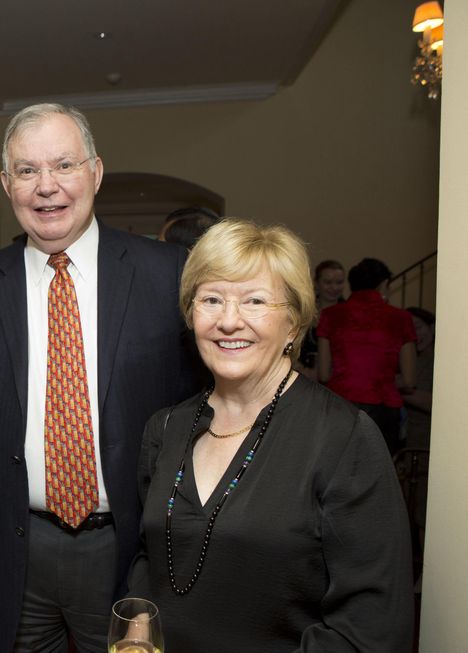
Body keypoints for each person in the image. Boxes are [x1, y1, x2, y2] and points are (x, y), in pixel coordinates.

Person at [0, 103, 198, 652]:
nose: (47, 186)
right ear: (7, 185)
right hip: (15, 553)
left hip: (131, 553)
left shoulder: (168, 276)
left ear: (96, 172)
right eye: (27, 170)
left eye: (64, 165)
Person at [126, 219, 414, 651]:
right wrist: (138, 622)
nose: (228, 321)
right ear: (191, 314)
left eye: (255, 301)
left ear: (293, 322)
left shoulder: (343, 438)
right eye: (211, 299)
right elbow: (150, 555)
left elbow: (372, 627)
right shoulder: (166, 428)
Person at [317, 257, 417, 453]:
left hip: (340, 403)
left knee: (336, 465)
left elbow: (324, 374)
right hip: (383, 406)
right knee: (379, 467)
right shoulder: (401, 318)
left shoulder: (331, 315)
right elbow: (409, 381)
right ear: (384, 284)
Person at [296, 259, 345, 377]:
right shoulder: (304, 312)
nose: (334, 288)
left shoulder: (350, 314)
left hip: (338, 378)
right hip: (303, 377)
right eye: (328, 282)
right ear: (316, 283)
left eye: (339, 282)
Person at [403, 306, 435, 448]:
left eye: (418, 327)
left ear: (432, 327)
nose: (415, 334)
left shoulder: (444, 362)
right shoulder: (408, 360)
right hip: (411, 440)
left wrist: (396, 389)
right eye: (408, 330)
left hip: (431, 439)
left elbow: (437, 403)